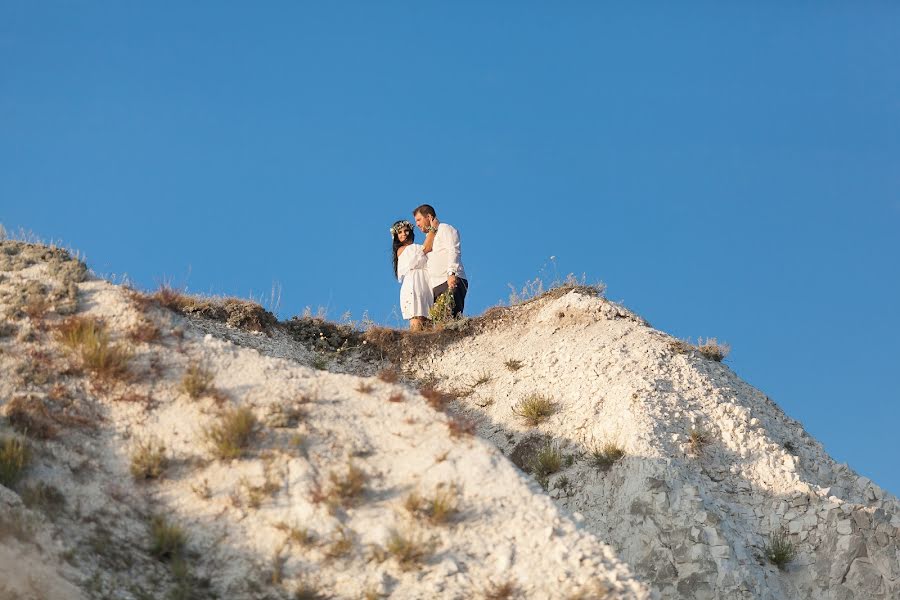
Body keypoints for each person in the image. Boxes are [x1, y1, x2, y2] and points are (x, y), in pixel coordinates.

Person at [413, 204, 468, 318]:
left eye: (419, 220)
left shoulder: (445, 228)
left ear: (428, 216)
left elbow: (454, 250)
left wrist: (451, 273)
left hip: (449, 279)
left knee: (451, 317)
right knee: (440, 321)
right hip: (436, 285)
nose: (417, 224)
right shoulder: (429, 237)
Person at [390, 220, 435, 331]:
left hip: (426, 282)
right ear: (396, 236)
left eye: (406, 231)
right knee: (417, 315)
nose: (403, 234)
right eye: (399, 232)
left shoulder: (416, 246)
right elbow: (426, 249)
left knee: (428, 319)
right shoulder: (402, 250)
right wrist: (433, 230)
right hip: (414, 283)